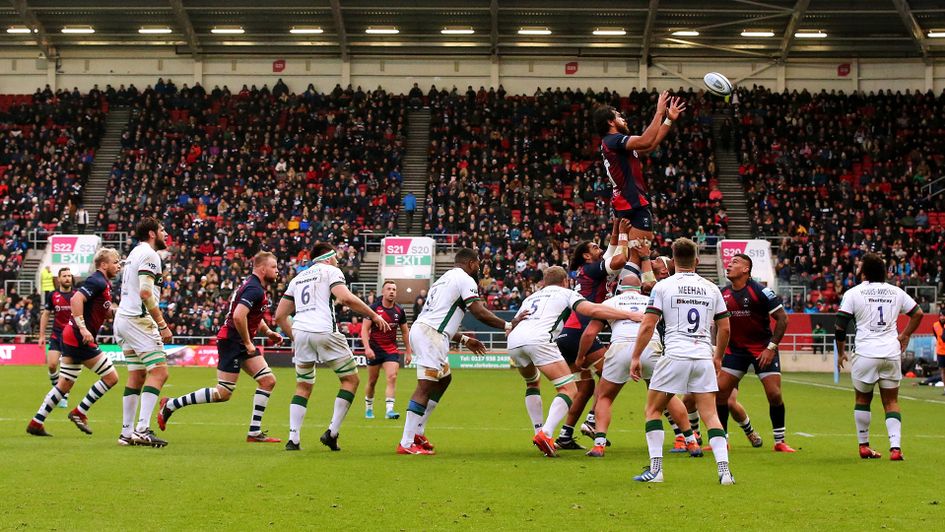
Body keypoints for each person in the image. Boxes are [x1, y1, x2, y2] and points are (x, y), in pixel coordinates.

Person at [629, 238, 734, 484]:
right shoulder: (711, 288)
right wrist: (718, 357)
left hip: (675, 354)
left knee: (653, 410)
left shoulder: (663, 286)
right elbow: (725, 328)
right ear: (697, 261)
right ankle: (724, 471)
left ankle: (656, 470)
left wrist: (636, 356)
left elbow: (648, 324)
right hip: (703, 356)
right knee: (711, 415)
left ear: (673, 261)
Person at [507, 266, 640, 457]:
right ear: (565, 281)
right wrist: (628, 314)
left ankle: (539, 431)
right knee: (568, 389)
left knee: (532, 383)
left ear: (544, 282)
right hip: (539, 339)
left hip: (514, 340)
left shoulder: (531, 297)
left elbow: (513, 324)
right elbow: (592, 309)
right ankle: (546, 434)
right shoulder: (566, 293)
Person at [158, 252, 285, 444]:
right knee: (223, 393)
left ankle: (254, 432)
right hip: (233, 341)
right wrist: (248, 342)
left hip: (239, 340)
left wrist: (268, 332)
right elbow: (238, 316)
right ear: (262, 269)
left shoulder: (253, 286)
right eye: (274, 267)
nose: (277, 271)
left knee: (267, 381)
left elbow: (251, 316)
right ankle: (171, 405)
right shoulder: (254, 289)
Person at [274, 243, 391, 451]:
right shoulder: (330, 271)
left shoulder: (298, 278)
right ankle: (332, 433)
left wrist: (296, 337)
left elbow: (280, 316)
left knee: (303, 385)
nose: (337, 261)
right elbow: (344, 297)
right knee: (350, 380)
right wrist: (373, 315)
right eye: (335, 257)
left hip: (300, 332)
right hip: (324, 330)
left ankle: (293, 439)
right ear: (327, 258)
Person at [396, 248, 501, 455]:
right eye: (478, 264)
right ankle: (406, 443)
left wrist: (464, 339)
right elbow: (479, 312)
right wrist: (507, 325)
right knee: (425, 386)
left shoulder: (443, 279)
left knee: (444, 378)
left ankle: (418, 431)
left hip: (428, 331)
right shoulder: (465, 279)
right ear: (471, 263)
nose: (479, 268)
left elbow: (441, 318)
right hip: (430, 335)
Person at [836, 253, 924, 460]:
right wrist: (905, 335)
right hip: (891, 353)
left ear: (863, 273)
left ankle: (864, 446)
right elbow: (918, 313)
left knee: (862, 399)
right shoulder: (896, 291)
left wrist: (840, 353)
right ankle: (895, 449)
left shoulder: (853, 293)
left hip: (866, 353)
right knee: (891, 401)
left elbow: (840, 326)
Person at [27, 248, 122, 437]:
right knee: (111, 377)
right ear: (104, 265)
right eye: (115, 262)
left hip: (71, 335)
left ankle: (36, 422)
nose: (118, 266)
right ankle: (80, 412)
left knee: (65, 384)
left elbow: (104, 312)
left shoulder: (103, 283)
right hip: (79, 337)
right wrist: (83, 328)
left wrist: (124, 312)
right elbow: (77, 299)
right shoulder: (97, 280)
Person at [554, 219, 629, 450]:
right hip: (581, 331)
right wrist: (624, 236)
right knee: (612, 375)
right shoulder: (591, 269)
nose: (600, 249)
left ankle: (565, 435)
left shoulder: (586, 270)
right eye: (595, 247)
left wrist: (616, 228)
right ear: (586, 256)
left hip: (568, 334)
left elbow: (611, 250)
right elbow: (620, 259)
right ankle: (592, 420)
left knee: (585, 389)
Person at [717, 254, 795, 452]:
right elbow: (717, 324)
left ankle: (779, 441)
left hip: (762, 349)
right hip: (735, 350)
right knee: (720, 393)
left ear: (746, 269)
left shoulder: (761, 291)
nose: (729, 265)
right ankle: (722, 441)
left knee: (774, 394)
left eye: (735, 262)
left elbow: (783, 318)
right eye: (729, 262)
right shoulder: (722, 293)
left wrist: (771, 347)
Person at [593, 92, 685, 248]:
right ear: (610, 122)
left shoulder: (615, 145)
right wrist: (659, 112)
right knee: (639, 256)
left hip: (626, 202)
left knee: (631, 255)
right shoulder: (613, 140)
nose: (623, 119)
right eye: (618, 116)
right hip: (631, 202)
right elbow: (645, 140)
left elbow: (650, 145)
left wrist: (668, 119)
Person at [113, 218, 174, 447]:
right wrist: (162, 324)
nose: (165, 233)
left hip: (123, 319)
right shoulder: (150, 255)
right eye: (162, 230)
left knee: (137, 375)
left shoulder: (134, 253)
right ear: (152, 233)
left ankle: (126, 432)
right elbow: (146, 293)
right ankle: (142, 429)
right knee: (159, 371)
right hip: (138, 320)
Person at [362, 280, 411, 420]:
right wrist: (367, 348)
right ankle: (369, 408)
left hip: (391, 349)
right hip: (374, 350)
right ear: (383, 292)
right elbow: (364, 329)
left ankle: (389, 410)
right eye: (389, 289)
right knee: (372, 381)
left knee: (392, 377)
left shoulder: (399, 310)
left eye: (394, 289)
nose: (391, 292)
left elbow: (405, 332)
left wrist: (408, 351)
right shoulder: (373, 308)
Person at [38, 268, 75, 409]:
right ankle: (57, 390)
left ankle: (63, 395)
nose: (67, 278)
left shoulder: (77, 295)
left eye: (69, 276)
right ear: (59, 279)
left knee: (66, 369)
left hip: (72, 336)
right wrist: (42, 335)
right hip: (56, 335)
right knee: (52, 365)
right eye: (64, 276)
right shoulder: (53, 295)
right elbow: (46, 315)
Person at [933, 314, 945, 394]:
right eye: (941, 316)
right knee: (942, 370)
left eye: (944, 316)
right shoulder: (935, 325)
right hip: (940, 351)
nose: (942, 317)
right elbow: (936, 336)